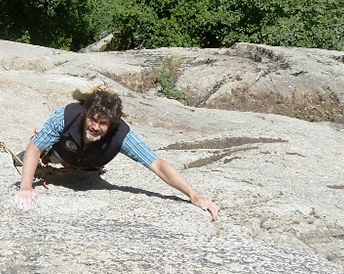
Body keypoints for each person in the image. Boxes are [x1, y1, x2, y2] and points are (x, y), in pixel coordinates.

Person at [14, 86, 219, 220]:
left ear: (112, 124)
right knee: (21, 161)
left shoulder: (122, 135)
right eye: (93, 119)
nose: (95, 126)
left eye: (103, 123)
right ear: (86, 113)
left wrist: (194, 195)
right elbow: (36, 146)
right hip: (57, 153)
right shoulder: (67, 116)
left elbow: (156, 164)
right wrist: (26, 186)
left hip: (89, 164)